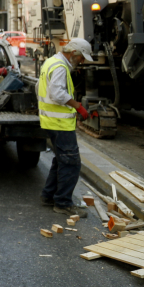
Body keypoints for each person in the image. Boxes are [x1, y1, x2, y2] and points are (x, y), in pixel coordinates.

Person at [38, 38, 95, 218]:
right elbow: (57, 94)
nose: (82, 61)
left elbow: (40, 88)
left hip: (51, 121)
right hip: (60, 124)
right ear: (74, 53)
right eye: (81, 57)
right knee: (71, 163)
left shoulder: (51, 62)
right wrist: (77, 106)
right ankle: (63, 203)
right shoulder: (61, 67)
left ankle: (48, 196)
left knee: (61, 160)